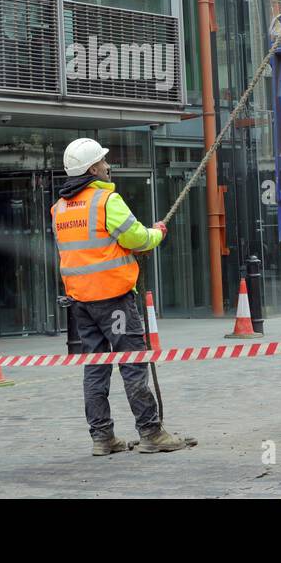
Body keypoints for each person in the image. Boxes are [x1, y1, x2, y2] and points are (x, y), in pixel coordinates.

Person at [52, 138, 196, 456]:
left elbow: (91, 247)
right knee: (132, 363)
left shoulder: (59, 209)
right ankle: (150, 432)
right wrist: (158, 232)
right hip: (114, 299)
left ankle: (102, 438)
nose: (107, 165)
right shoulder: (106, 200)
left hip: (81, 304)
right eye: (102, 162)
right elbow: (138, 238)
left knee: (96, 367)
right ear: (92, 169)